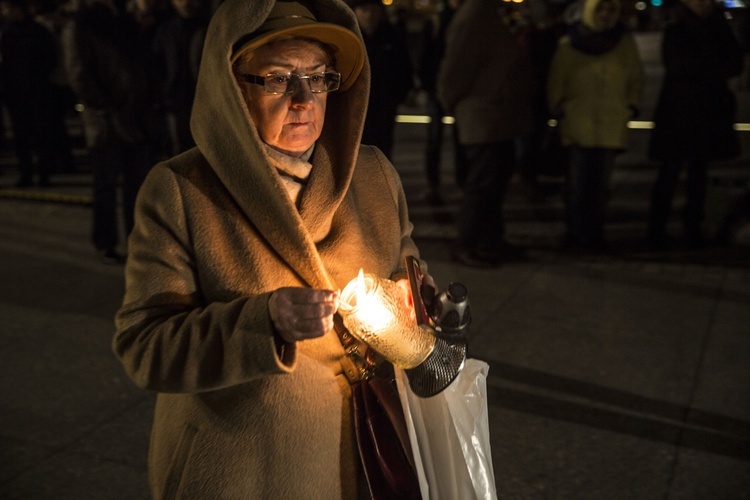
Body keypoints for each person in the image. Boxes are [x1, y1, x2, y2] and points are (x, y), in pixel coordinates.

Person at [113, 0, 430, 497]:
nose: (305, 98)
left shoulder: (374, 175)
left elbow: (410, 273)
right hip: (241, 468)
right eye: (280, 78)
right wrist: (265, 323)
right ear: (232, 89)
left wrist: (420, 302)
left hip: (357, 459)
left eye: (319, 77)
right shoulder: (180, 189)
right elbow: (145, 347)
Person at [437, 0, 534, 267]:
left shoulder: (486, 11)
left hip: (496, 114)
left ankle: (490, 240)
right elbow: (456, 66)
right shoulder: (475, 14)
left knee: (494, 182)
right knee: (483, 183)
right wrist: (451, 100)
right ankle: (468, 243)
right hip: (483, 114)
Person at [547, 0, 644, 252]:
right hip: (578, 125)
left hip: (610, 126)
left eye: (610, 10)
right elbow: (557, 80)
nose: (604, 15)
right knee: (576, 186)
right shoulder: (570, 43)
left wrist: (630, 106)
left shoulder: (623, 43)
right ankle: (575, 233)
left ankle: (594, 234)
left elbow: (635, 77)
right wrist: (558, 107)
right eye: (600, 9)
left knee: (600, 187)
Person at [647, 0, 743, 250]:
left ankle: (693, 228)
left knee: (698, 174)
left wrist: (709, 66)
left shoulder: (721, 29)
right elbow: (679, 65)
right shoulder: (677, 30)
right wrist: (713, 67)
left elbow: (735, 63)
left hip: (707, 114)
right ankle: (655, 230)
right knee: (669, 171)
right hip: (677, 114)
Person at [62, 0, 153, 263]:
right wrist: (105, 106)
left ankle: (137, 243)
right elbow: (79, 73)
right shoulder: (83, 24)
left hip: (134, 116)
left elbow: (140, 67)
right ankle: (105, 242)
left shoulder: (126, 21)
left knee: (137, 185)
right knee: (106, 185)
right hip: (105, 120)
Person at [0, 0, 57, 187]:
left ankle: (43, 172)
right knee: (21, 136)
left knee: (40, 134)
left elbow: (50, 59)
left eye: (8, 8)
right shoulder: (6, 34)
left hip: (37, 91)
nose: (5, 12)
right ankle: (26, 172)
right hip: (15, 93)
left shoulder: (38, 32)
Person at [351, 0, 413, 159]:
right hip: (356, 107)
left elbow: (404, 68)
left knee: (383, 148)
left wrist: (397, 97)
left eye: (373, 10)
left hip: (385, 105)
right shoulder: (350, 37)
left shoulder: (391, 36)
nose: (369, 15)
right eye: (364, 10)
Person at [152, 0, 208, 156]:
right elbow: (157, 64)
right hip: (174, 99)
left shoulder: (208, 28)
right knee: (178, 149)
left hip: (201, 98)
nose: (185, 3)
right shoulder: (165, 29)